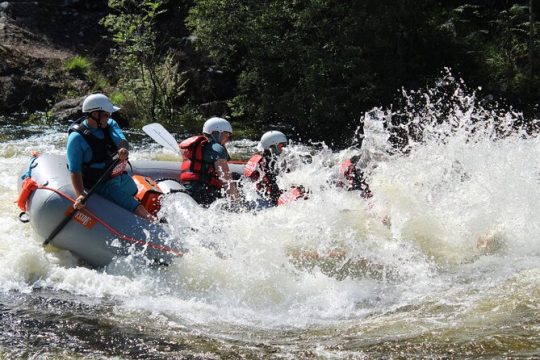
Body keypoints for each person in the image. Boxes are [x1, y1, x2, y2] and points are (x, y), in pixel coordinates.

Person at [66, 93, 155, 221]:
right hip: (99, 182)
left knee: (133, 188)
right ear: (95, 114)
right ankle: (151, 220)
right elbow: (75, 170)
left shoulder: (110, 124)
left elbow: (121, 140)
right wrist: (80, 194)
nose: (109, 117)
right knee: (134, 205)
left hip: (114, 175)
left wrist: (123, 148)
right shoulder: (76, 138)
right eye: (106, 114)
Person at [179, 117, 240, 206]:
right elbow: (226, 180)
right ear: (215, 133)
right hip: (204, 194)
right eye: (226, 134)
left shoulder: (196, 146)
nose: (228, 139)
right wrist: (238, 204)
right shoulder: (218, 149)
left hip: (188, 190)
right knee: (236, 177)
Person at [244, 130, 288, 205]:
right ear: (272, 146)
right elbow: (271, 185)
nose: (284, 149)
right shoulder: (269, 162)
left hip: (255, 195)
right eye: (282, 145)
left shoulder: (260, 156)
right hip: (267, 199)